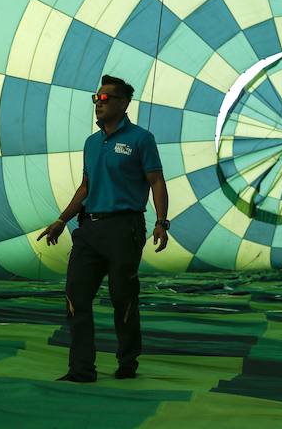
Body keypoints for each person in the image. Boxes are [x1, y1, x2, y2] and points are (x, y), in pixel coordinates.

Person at [37, 75, 170, 382]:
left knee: (122, 296)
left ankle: (127, 362)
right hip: (89, 230)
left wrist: (162, 222)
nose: (99, 104)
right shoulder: (92, 143)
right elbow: (86, 186)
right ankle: (81, 369)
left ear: (124, 104)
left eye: (106, 99)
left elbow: (156, 182)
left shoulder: (141, 139)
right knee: (76, 296)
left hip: (125, 228)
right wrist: (61, 220)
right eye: (96, 98)